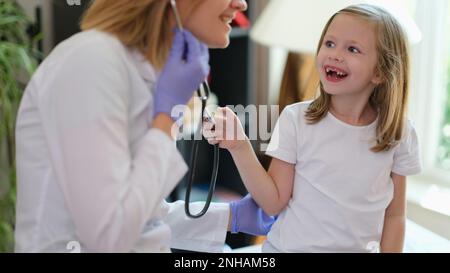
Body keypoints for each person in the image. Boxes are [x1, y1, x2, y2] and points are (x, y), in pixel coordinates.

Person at [14, 0, 274, 253]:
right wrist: (166, 120)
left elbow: (143, 215)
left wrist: (232, 217)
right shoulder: (90, 63)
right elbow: (111, 234)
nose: (241, 4)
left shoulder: (143, 73)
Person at [204, 4, 422, 252]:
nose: (335, 54)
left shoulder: (399, 134)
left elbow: (395, 216)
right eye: (329, 43)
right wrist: (240, 146)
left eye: (352, 49)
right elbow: (273, 203)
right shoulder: (296, 119)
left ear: (380, 72)